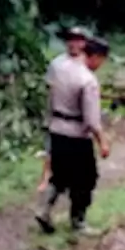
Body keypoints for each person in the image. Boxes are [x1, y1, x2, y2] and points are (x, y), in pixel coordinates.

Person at [36, 35, 111, 235]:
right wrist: (102, 141)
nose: (101, 65)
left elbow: (49, 94)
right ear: (95, 56)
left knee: (59, 175)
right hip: (77, 135)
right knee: (85, 179)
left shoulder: (59, 66)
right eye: (102, 61)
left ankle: (44, 209)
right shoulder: (87, 80)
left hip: (57, 129)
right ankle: (78, 221)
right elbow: (92, 120)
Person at [37, 26, 90, 194]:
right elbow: (51, 88)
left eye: (78, 40)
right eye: (71, 39)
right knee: (51, 149)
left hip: (79, 116)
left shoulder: (86, 62)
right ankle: (46, 178)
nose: (74, 43)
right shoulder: (57, 64)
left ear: (84, 42)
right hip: (58, 113)